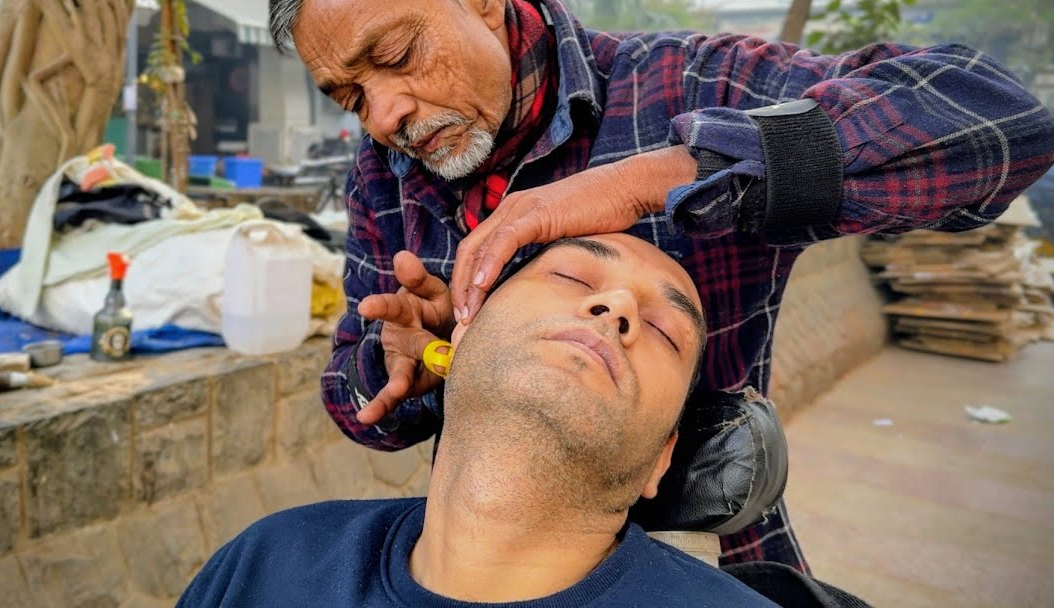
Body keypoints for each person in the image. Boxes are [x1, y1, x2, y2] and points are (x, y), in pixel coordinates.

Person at [265, 0, 1054, 570]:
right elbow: (348, 394)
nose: (386, 114)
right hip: (486, 556)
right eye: (351, 96)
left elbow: (1001, 122)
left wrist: (653, 179)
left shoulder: (692, 84)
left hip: (700, 556)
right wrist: (409, 365)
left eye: (397, 54)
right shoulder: (384, 173)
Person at [180, 234, 793, 607]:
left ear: (663, 456)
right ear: (457, 341)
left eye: (664, 330)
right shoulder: (265, 563)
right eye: (571, 276)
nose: (616, 306)